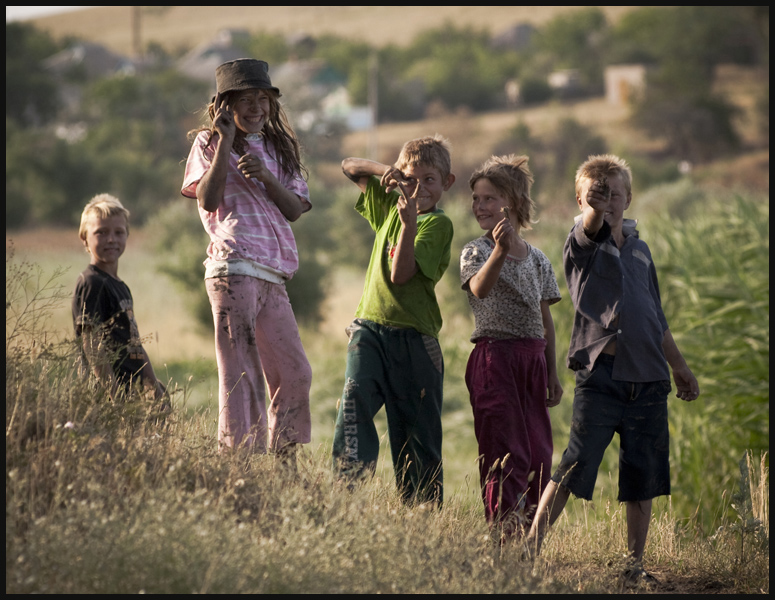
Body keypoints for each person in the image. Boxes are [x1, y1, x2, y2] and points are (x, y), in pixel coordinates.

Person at [526, 154, 700, 585]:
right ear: (580, 199)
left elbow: (656, 316)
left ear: (629, 197)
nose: (608, 200)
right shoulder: (581, 242)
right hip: (601, 377)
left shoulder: (640, 251)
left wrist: (679, 367)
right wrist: (595, 211)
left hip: (649, 379)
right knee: (574, 463)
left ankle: (633, 567)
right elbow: (590, 228)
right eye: (596, 194)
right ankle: (527, 551)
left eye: (615, 193)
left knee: (643, 475)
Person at [181, 58, 312, 457]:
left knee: (295, 373)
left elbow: (293, 209)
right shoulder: (207, 143)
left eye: (263, 99)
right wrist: (223, 144)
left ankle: (284, 460)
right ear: (224, 106)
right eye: (246, 100)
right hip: (232, 270)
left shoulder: (279, 147)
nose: (257, 108)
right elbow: (207, 197)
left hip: (274, 273)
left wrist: (267, 177)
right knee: (241, 374)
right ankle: (239, 466)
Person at [332, 135, 456, 504]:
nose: (418, 188)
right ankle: (345, 497)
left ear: (446, 182)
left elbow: (401, 274)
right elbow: (349, 166)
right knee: (353, 407)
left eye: (429, 180)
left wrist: (409, 224)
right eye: (410, 178)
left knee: (417, 436)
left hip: (415, 342)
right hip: (369, 330)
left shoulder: (437, 224)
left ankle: (422, 520)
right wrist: (386, 171)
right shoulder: (392, 205)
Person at [460, 155, 563, 541]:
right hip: (494, 360)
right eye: (475, 199)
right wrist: (499, 252)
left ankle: (528, 540)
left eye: (489, 198)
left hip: (533, 360)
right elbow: (479, 290)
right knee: (507, 454)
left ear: (514, 203)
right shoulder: (476, 251)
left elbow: (545, 318)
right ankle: (504, 538)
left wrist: (552, 372)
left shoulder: (538, 259)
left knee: (539, 456)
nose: (479, 207)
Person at [72, 194, 167, 402]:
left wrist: (154, 387)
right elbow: (91, 342)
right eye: (101, 232)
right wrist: (113, 394)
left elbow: (134, 343)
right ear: (84, 238)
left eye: (118, 232)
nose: (111, 239)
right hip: (106, 398)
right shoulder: (91, 283)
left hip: (130, 393)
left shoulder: (121, 287)